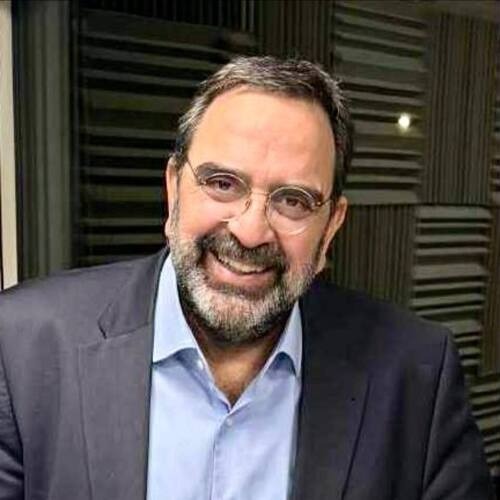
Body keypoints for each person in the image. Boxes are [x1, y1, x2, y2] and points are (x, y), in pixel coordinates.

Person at [0, 56, 494, 500]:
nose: (251, 231)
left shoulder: (416, 374)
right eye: (222, 184)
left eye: (293, 200)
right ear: (174, 190)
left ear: (331, 226)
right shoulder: (22, 345)